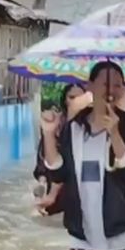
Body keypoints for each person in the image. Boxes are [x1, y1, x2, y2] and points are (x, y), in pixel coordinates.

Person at [40, 62, 125, 250]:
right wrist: (49, 134)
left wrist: (115, 133)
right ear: (89, 86)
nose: (111, 90)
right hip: (82, 236)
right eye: (105, 84)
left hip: (121, 234)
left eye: (118, 85)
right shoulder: (74, 127)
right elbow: (60, 174)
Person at [33, 83, 86, 216]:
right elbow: (44, 155)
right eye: (71, 97)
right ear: (65, 99)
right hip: (57, 183)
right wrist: (43, 182)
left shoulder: (91, 125)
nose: (76, 101)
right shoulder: (56, 123)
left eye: (80, 97)